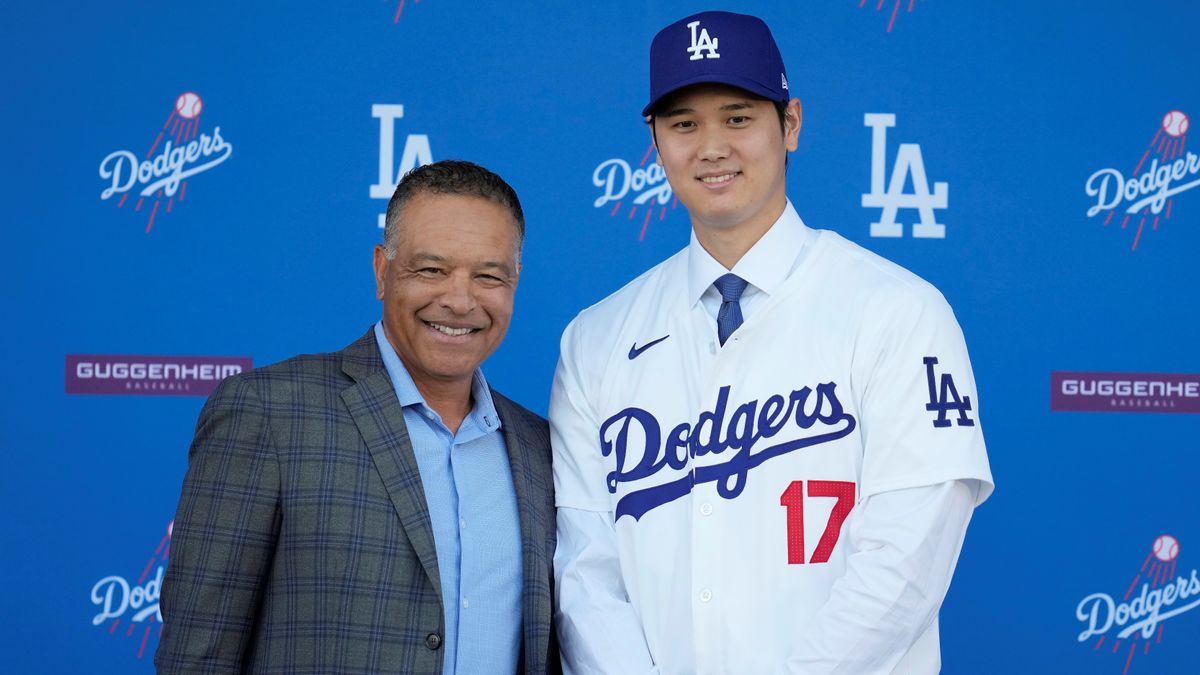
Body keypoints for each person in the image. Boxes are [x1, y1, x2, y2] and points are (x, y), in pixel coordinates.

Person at [550, 11, 994, 674]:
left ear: (790, 125)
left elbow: (905, 564)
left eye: (737, 117)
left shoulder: (900, 312)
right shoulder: (595, 338)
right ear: (655, 141)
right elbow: (588, 575)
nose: (711, 147)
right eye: (683, 124)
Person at [157, 160, 558, 674]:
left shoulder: (539, 447)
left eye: (488, 276)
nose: (460, 300)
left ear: (514, 283)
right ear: (382, 271)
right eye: (431, 270)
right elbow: (198, 654)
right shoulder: (269, 411)